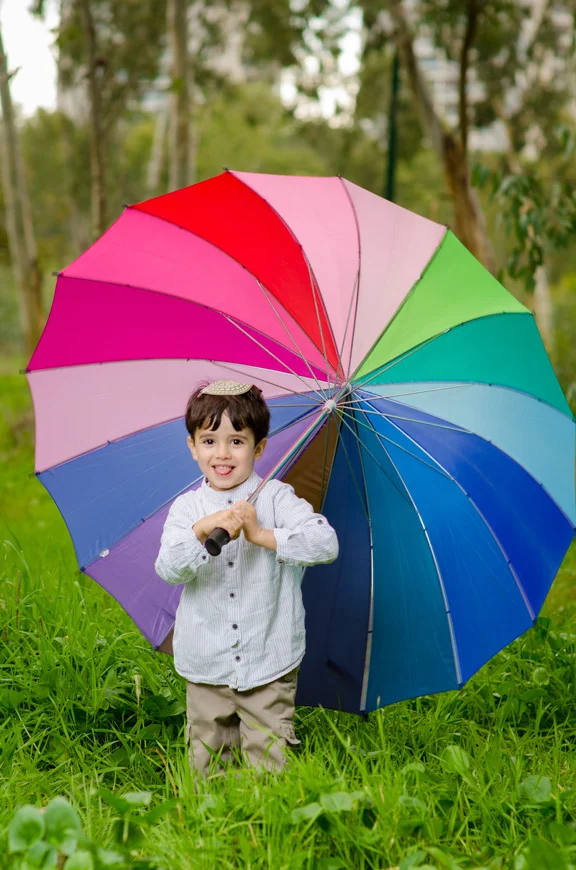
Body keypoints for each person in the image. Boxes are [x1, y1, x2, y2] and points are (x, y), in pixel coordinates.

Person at [154, 379, 339, 779]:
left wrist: (262, 536)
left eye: (237, 441)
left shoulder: (276, 498)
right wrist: (203, 529)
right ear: (192, 446)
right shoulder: (187, 509)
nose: (222, 454)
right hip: (206, 663)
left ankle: (265, 826)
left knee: (270, 764)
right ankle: (210, 830)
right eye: (209, 441)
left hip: (269, 661)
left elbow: (325, 544)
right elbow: (169, 568)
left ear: (258, 448)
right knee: (205, 764)